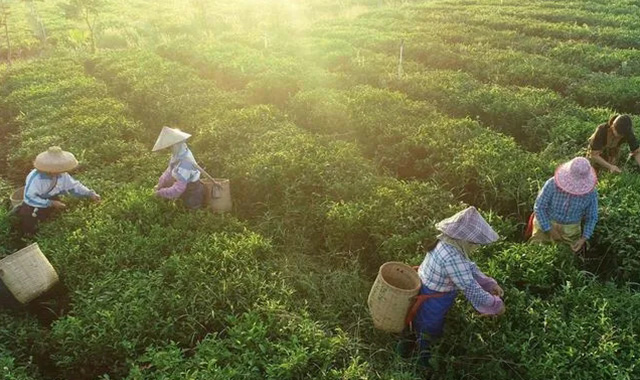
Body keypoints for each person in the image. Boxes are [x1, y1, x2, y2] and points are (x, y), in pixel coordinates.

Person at [407, 206, 505, 366]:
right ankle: (423, 361)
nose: (476, 247)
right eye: (475, 243)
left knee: (428, 324)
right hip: (433, 298)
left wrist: (489, 283)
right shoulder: (451, 257)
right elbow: (470, 288)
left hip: (433, 291)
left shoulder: (448, 242)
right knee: (429, 328)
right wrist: (495, 305)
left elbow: (469, 267)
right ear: (464, 239)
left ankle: (423, 348)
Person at [17, 146, 101, 236]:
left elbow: (74, 186)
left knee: (49, 222)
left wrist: (89, 193)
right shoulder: (36, 178)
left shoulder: (62, 175)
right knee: (31, 228)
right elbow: (29, 198)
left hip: (51, 199)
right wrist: (51, 203)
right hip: (33, 206)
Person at [529, 157, 598, 253]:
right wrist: (550, 229)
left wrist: (583, 238)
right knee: (537, 253)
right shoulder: (552, 183)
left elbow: (592, 217)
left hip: (570, 230)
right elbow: (539, 207)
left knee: (566, 258)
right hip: (545, 224)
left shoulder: (591, 193)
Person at [152, 126, 206, 209]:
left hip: (192, 191)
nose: (169, 149)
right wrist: (159, 185)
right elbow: (169, 171)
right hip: (184, 186)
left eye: (171, 146)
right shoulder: (178, 153)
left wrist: (160, 193)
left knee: (188, 211)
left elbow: (178, 189)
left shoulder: (185, 163)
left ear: (177, 144)